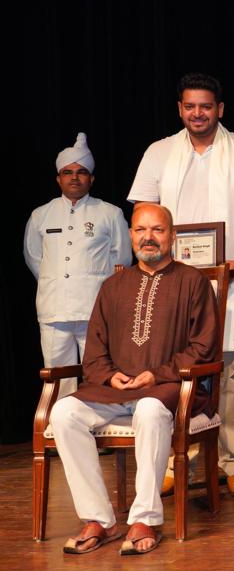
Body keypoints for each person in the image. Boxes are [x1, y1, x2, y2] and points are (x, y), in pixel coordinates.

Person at [128, 73, 234, 497]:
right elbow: (144, 216)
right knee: (175, 370)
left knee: (232, 372)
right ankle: (176, 461)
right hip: (171, 280)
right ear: (180, 109)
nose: (198, 113)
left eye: (206, 106)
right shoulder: (158, 152)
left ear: (219, 109)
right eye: (190, 106)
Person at [48, 204, 220, 555]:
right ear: (130, 236)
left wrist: (156, 374)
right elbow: (94, 350)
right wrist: (110, 377)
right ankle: (100, 519)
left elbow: (204, 346)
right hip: (114, 392)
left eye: (157, 230)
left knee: (150, 410)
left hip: (168, 388)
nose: (148, 237)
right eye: (140, 230)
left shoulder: (193, 282)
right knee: (63, 413)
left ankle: (146, 519)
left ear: (173, 236)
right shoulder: (113, 286)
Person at [24, 133, 131, 397]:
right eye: (68, 172)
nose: (74, 177)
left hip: (95, 308)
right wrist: (57, 281)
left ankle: (99, 420)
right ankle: (59, 423)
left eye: (81, 172)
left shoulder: (110, 213)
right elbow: (34, 257)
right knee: (57, 378)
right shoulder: (41, 215)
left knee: (100, 374)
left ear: (91, 179)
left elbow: (122, 259)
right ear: (58, 178)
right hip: (54, 308)